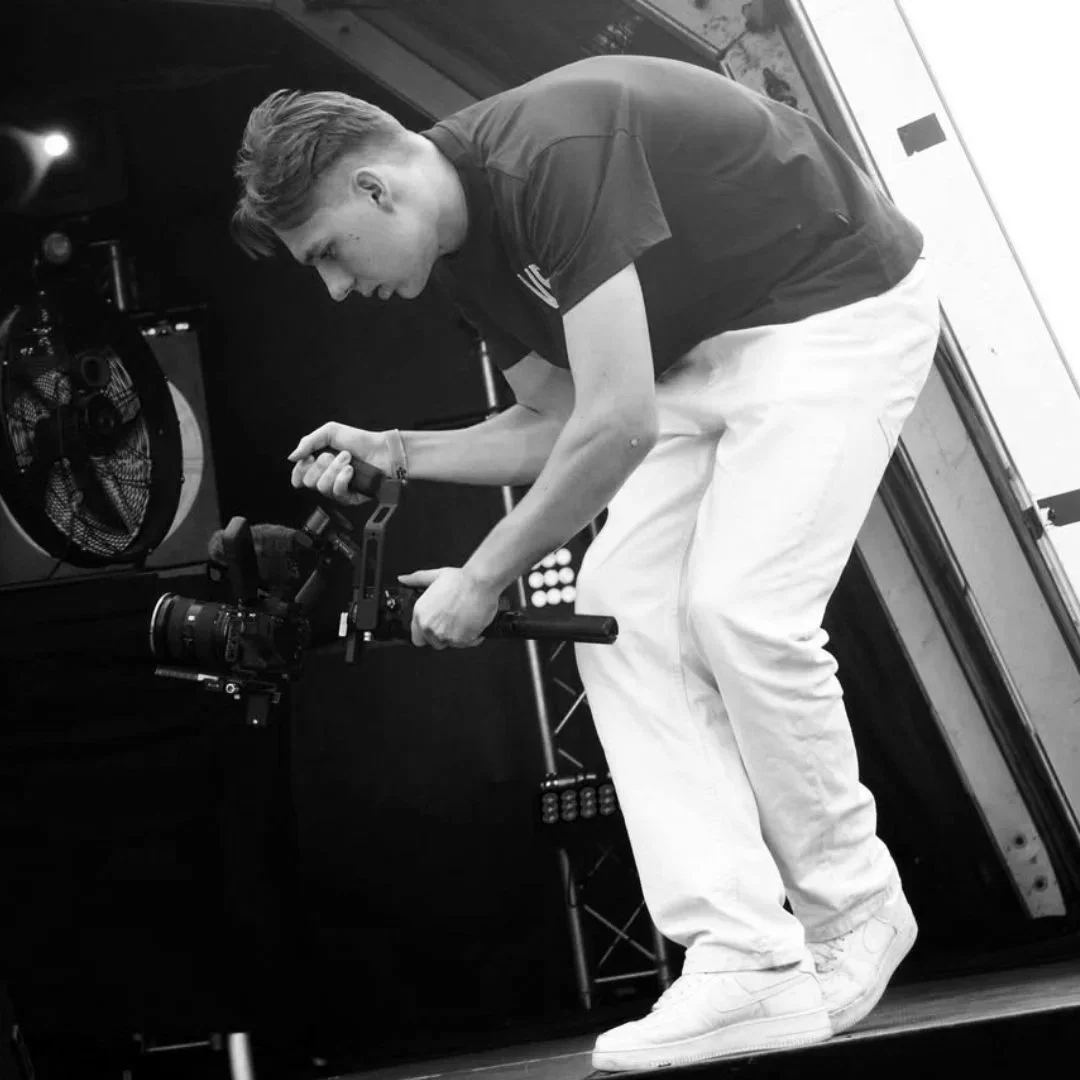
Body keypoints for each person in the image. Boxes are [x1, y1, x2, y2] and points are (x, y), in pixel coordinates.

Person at [231, 54, 940, 1071]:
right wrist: (397, 450)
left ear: (375, 187)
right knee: (616, 605)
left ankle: (856, 907)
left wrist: (484, 577)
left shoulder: (547, 157)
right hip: (700, 351)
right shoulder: (453, 250)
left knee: (741, 610)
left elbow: (616, 422)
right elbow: (551, 422)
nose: (341, 288)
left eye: (330, 252)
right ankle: (744, 959)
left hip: (834, 309)